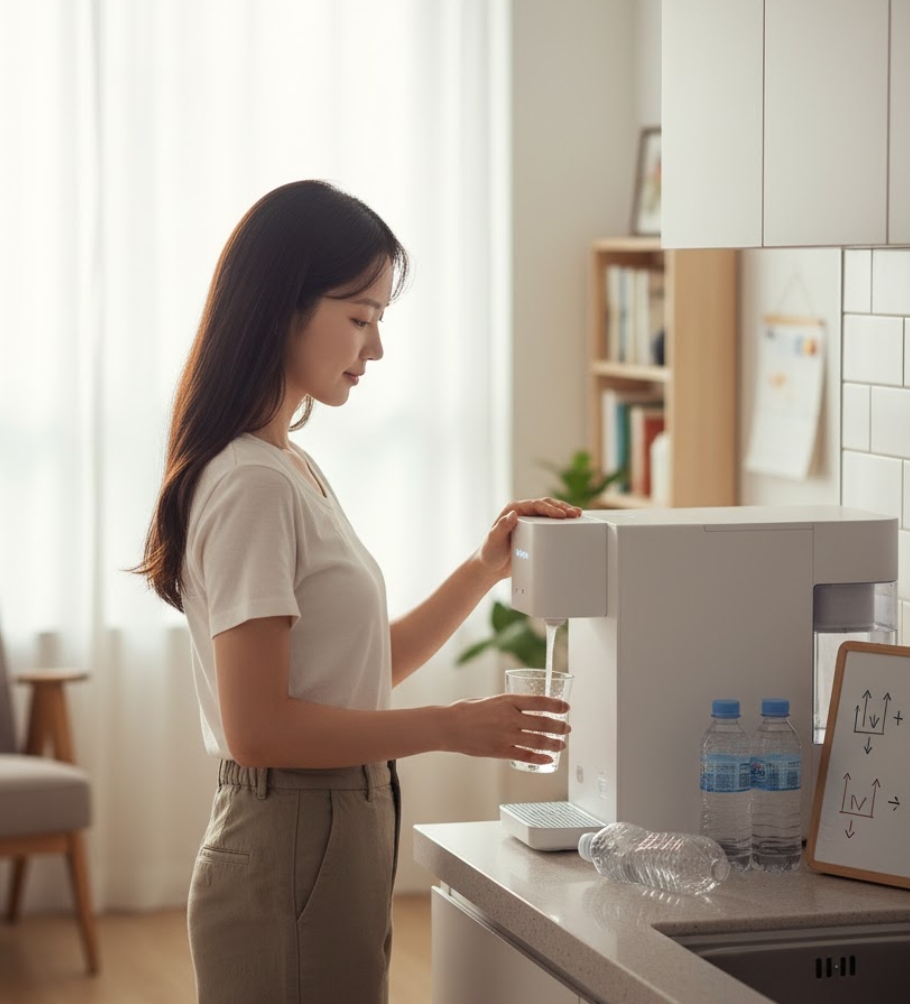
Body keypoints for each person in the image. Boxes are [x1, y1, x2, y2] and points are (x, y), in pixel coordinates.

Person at [135, 179, 579, 1004]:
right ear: (282, 309)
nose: (373, 350)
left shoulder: (290, 467)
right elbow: (261, 728)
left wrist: (484, 566)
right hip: (295, 830)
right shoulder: (253, 485)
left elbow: (363, 666)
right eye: (361, 318)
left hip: (336, 823)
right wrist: (452, 727)